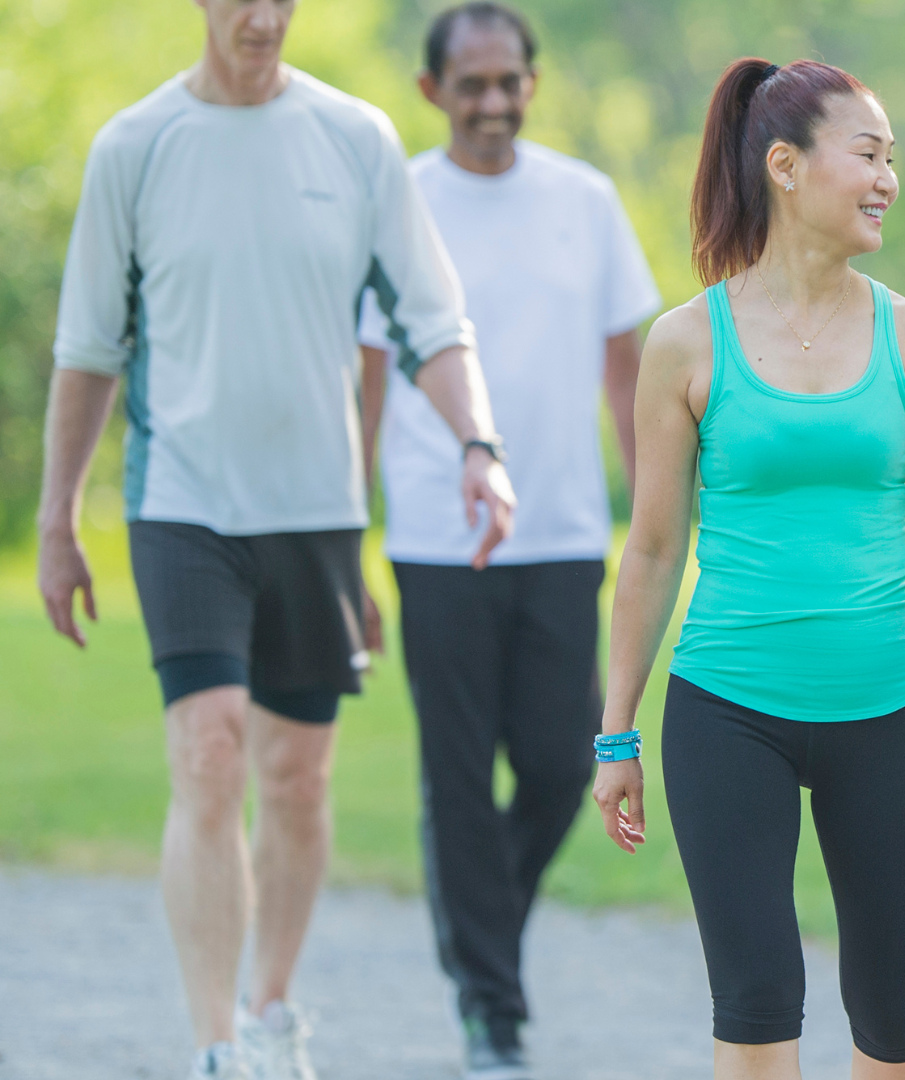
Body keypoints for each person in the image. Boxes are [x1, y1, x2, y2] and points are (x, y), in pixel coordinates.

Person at [33, 1, 514, 1078]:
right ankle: (214, 1047)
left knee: (295, 777)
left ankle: (271, 1009)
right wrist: (57, 516)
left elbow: (434, 321)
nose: (262, 16)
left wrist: (478, 442)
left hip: (318, 512)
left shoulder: (356, 139)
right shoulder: (136, 146)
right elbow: (88, 348)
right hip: (185, 507)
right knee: (207, 756)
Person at [589, 57, 905, 1080]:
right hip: (729, 708)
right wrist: (616, 730)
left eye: (892, 160)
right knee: (759, 996)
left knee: (896, 1013)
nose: (887, 180)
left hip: (891, 707)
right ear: (784, 165)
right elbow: (650, 547)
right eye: (867, 155)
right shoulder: (686, 342)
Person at [355, 5, 660, 1078]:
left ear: (534, 82)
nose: (492, 101)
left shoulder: (585, 199)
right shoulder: (398, 205)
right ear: (432, 91)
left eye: (508, 81)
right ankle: (494, 1005)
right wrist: (354, 538)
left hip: (566, 530)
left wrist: (652, 506)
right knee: (454, 776)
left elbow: (631, 365)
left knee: (553, 760)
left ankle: (480, 929)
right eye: (470, 84)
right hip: (437, 540)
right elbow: (370, 378)